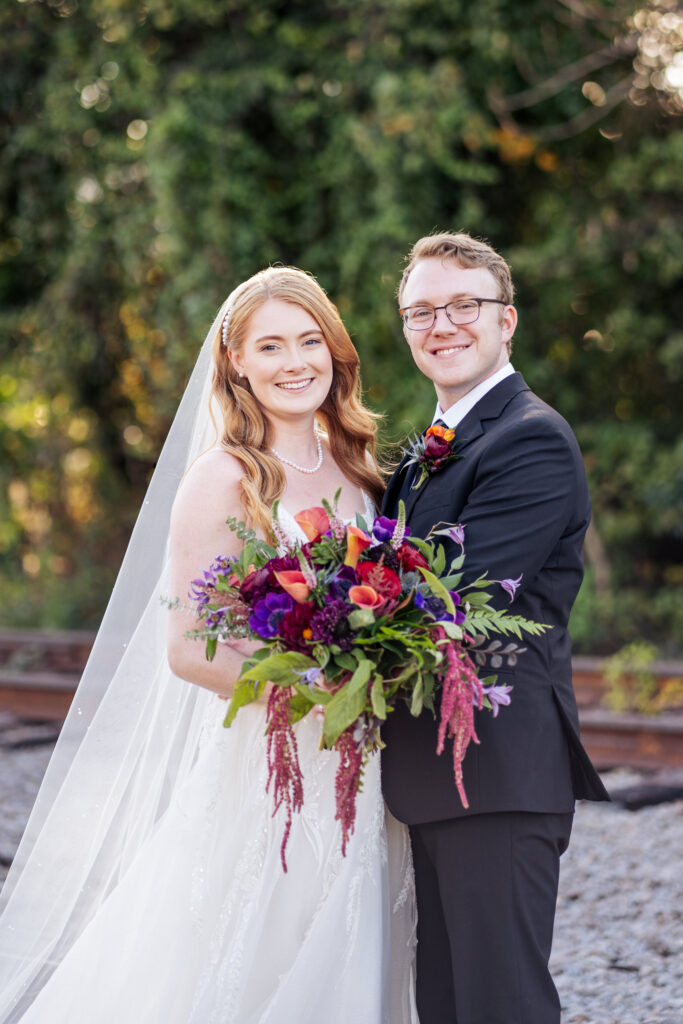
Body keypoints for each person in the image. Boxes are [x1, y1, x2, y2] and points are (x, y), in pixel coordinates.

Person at [0, 267, 418, 1023]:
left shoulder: (357, 465)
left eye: (309, 340)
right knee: (255, 945)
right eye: (270, 346)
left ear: (334, 349)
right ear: (237, 364)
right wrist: (315, 695)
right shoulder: (223, 478)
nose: (295, 362)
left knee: (353, 941)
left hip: (365, 761)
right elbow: (188, 651)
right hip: (271, 761)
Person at [381, 232, 610, 1024]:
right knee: (445, 1007)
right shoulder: (421, 455)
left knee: (499, 1008)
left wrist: (320, 627)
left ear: (505, 321)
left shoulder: (529, 439)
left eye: (463, 306)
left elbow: (454, 600)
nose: (441, 324)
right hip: (432, 777)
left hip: (497, 771)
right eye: (421, 311)